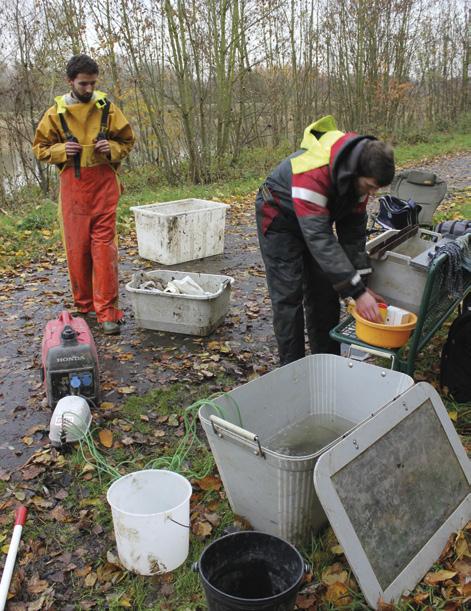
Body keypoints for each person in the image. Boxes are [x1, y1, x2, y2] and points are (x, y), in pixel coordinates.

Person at [255, 115, 394, 365]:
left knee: (325, 294)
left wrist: (359, 285)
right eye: (371, 186)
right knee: (289, 296)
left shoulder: (358, 181)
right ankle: (293, 370)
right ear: (356, 172)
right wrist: (357, 293)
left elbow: (353, 236)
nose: (373, 193)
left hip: (314, 220)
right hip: (279, 217)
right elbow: (319, 238)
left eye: (377, 189)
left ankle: (327, 365)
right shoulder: (314, 173)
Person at [33, 54, 135, 335]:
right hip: (74, 192)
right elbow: (39, 148)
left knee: (104, 252)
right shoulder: (56, 113)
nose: (89, 89)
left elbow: (127, 140)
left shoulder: (107, 108)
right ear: (70, 82)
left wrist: (111, 149)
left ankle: (107, 313)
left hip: (104, 188)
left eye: (92, 83)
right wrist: (60, 151)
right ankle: (85, 306)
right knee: (77, 251)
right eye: (83, 84)